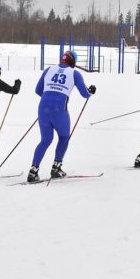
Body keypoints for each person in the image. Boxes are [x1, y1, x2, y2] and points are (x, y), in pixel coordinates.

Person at [28, 50, 95, 182]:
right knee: (64, 137)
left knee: (45, 140)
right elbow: (85, 94)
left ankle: (33, 171)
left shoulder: (49, 69)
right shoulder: (74, 73)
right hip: (59, 109)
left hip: (43, 108)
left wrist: (49, 99)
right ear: (73, 62)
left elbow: (37, 90)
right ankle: (56, 168)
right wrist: (91, 91)